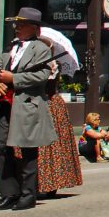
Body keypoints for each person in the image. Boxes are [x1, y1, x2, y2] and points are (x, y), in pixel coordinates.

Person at [0, 7, 59, 210]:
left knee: (27, 151)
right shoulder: (10, 47)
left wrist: (13, 78)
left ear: (33, 27)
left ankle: (28, 195)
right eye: (16, 24)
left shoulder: (41, 49)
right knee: (1, 147)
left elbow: (42, 76)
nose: (17, 27)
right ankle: (9, 193)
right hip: (5, 105)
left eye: (22, 24)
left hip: (26, 106)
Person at [37, 64, 84, 198]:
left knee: (52, 144)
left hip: (49, 103)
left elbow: (47, 83)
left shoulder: (51, 66)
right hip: (49, 103)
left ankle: (51, 182)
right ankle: (45, 183)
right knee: (48, 145)